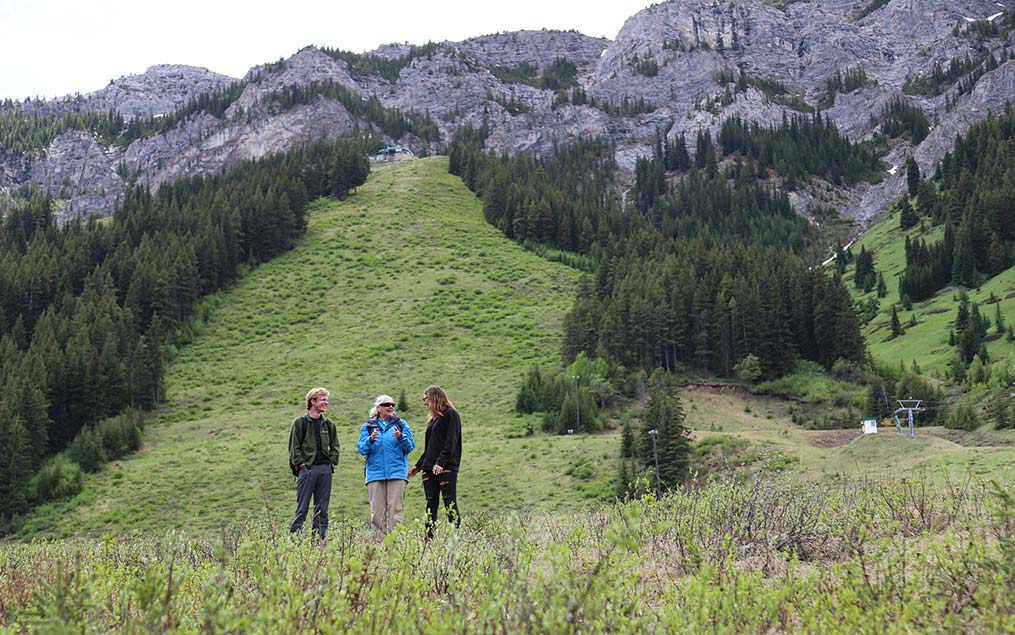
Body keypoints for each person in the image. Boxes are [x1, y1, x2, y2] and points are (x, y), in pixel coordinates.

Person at [357, 394, 415, 540]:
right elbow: (362, 449)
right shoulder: (368, 427)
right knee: (377, 512)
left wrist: (401, 437)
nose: (390, 407)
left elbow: (410, 446)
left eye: (392, 404)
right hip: (375, 474)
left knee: (395, 510)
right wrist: (370, 440)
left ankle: (395, 546)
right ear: (378, 408)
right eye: (386, 404)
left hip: (397, 473)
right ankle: (379, 546)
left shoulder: (401, 424)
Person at [408, 385, 462, 539]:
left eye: (425, 398)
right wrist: (418, 466)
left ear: (433, 397)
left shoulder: (451, 415)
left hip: (445, 467)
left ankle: (455, 537)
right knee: (431, 503)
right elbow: (430, 447)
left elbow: (450, 442)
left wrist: (441, 462)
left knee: (449, 502)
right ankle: (429, 538)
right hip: (429, 467)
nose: (424, 403)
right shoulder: (433, 420)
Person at [289, 387, 340, 541]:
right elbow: (294, 447)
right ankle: (295, 541)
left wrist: (331, 463)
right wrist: (301, 465)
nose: (327, 402)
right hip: (307, 470)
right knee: (302, 508)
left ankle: (318, 541)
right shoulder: (300, 423)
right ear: (313, 401)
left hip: (325, 470)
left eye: (326, 399)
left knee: (322, 509)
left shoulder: (329, 424)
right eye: (323, 399)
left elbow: (335, 446)